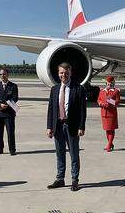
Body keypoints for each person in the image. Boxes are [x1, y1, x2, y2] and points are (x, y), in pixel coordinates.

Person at [46, 63, 87, 191]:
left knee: (74, 154)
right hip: (58, 125)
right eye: (61, 73)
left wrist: (81, 127)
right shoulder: (55, 89)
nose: (64, 75)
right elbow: (51, 109)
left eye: (66, 73)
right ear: (58, 74)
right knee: (60, 153)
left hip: (72, 126)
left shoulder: (78, 89)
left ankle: (75, 180)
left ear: (71, 73)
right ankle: (60, 179)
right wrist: (49, 127)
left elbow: (82, 110)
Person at [0, 68, 19, 155]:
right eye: (1, 74)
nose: (3, 76)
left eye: (4, 74)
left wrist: (6, 104)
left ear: (8, 75)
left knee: (10, 132)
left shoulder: (13, 86)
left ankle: (12, 150)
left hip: (9, 112)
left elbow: (15, 98)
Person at [97, 76, 120, 152]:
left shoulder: (116, 91)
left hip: (111, 114)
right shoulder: (102, 91)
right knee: (107, 130)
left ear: (113, 83)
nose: (109, 85)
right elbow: (98, 99)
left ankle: (109, 145)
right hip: (104, 113)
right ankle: (110, 144)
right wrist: (101, 104)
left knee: (111, 129)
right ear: (106, 83)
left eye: (111, 83)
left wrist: (109, 101)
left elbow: (117, 102)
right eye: (108, 83)